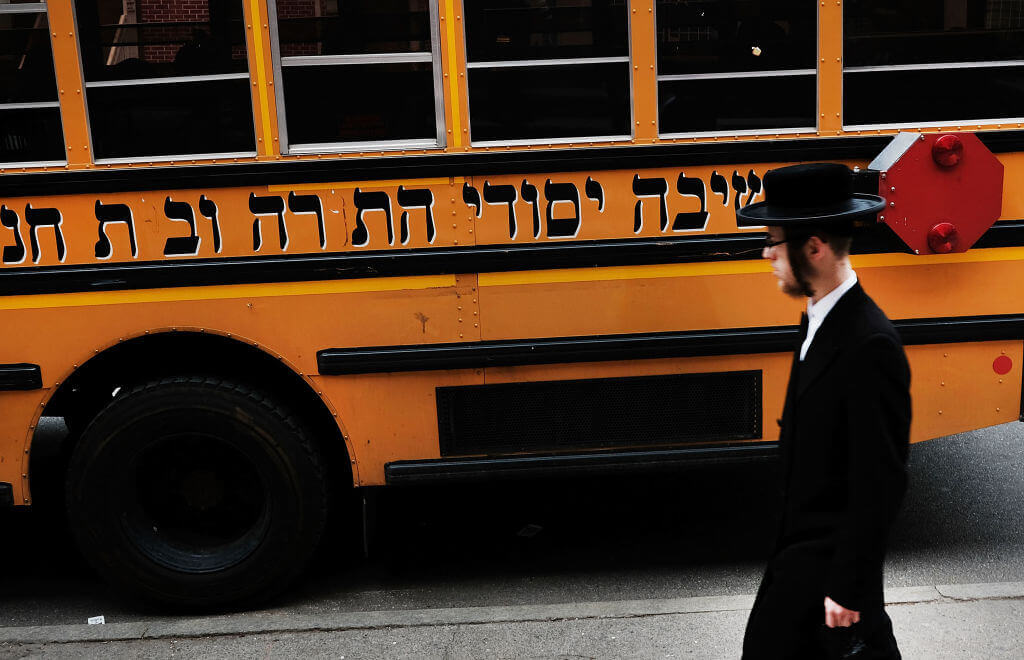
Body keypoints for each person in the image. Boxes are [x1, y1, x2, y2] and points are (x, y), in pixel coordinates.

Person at [736, 163, 911, 659]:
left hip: (829, 581)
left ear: (814, 247)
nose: (767, 253)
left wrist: (849, 590)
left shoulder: (869, 343)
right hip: (798, 564)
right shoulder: (817, 317)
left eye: (774, 240)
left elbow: (881, 480)